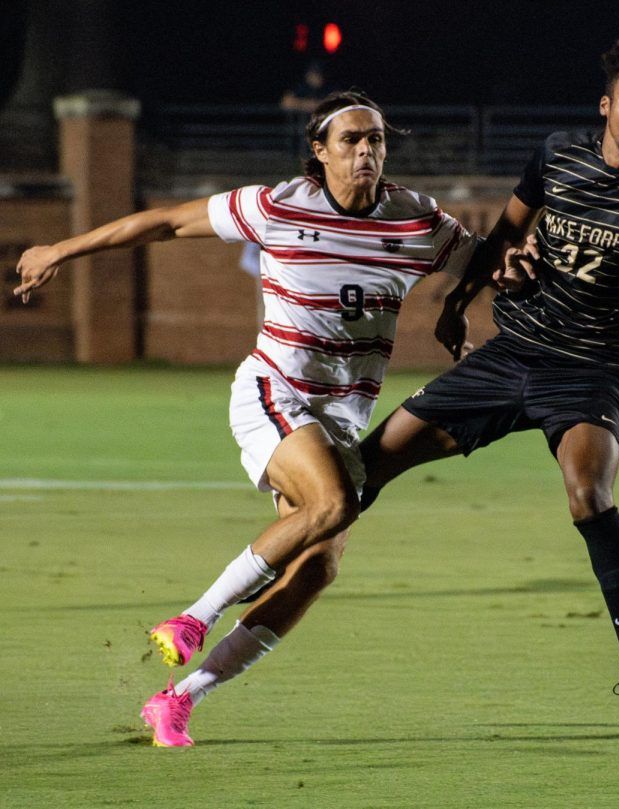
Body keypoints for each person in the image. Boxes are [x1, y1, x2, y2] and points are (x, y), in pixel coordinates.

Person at [12, 91, 478, 746]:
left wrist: (461, 301)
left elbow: (489, 263)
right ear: (320, 151)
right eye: (351, 139)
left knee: (318, 568)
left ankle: (177, 697)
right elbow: (168, 223)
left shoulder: (415, 220)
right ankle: (193, 619)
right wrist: (62, 248)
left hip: (341, 419)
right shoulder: (278, 204)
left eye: (376, 139)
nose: (368, 150)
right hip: (275, 394)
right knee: (334, 501)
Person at [356, 39, 619, 734]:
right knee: (368, 465)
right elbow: (503, 235)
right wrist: (458, 304)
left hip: (589, 373)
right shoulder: (557, 156)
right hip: (511, 352)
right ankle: (266, 578)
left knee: (589, 497)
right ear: (606, 106)